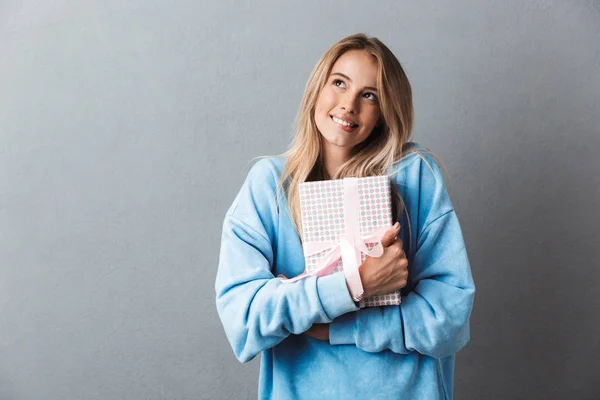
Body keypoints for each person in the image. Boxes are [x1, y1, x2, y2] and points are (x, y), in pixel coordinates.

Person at [215, 33, 475, 399]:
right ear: (317, 89)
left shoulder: (415, 176)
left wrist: (340, 328)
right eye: (339, 83)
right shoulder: (268, 185)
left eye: (370, 95)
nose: (348, 105)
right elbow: (244, 319)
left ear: (386, 111)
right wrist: (355, 285)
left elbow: (450, 320)